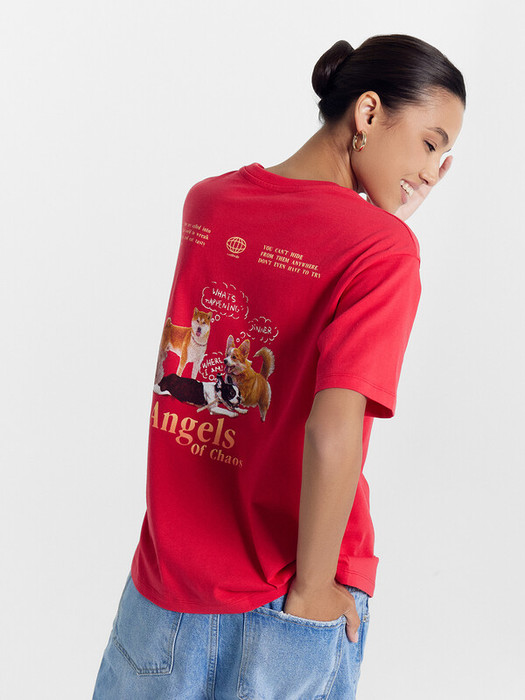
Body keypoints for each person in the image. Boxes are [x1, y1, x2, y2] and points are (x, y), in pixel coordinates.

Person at [93, 34, 465, 699]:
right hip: (288, 592)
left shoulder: (208, 203)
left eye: (444, 157)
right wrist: (315, 588)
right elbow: (330, 430)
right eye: (430, 143)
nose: (433, 171)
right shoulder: (383, 253)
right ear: (369, 112)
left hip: (161, 592)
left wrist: (382, 220)